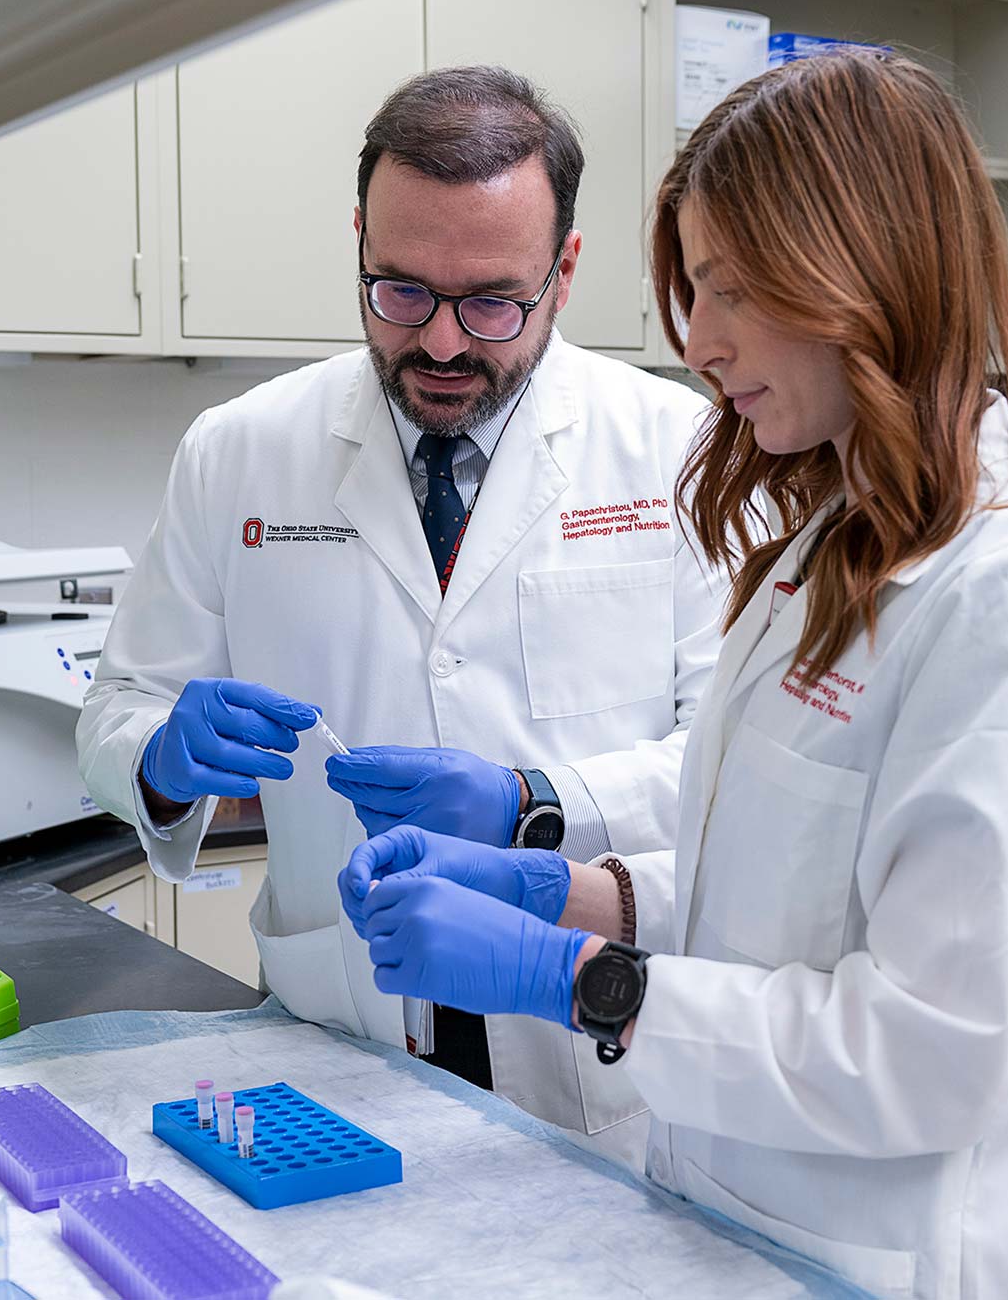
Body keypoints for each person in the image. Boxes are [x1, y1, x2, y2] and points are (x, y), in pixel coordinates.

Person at [333, 50, 1008, 1299]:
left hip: (912, 1257)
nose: (701, 341)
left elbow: (926, 1053)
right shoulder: (829, 541)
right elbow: (777, 892)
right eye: (693, 290)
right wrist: (561, 892)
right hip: (742, 1223)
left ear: (862, 270)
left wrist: (568, 981)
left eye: (729, 290)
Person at [77, 66, 723, 1158]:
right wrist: (160, 761)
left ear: (564, 272)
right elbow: (118, 710)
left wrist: (534, 802)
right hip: (340, 1021)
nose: (437, 343)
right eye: (401, 290)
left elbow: (725, 757)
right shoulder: (241, 450)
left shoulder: (679, 447)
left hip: (584, 1032)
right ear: (361, 244)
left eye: (489, 303)